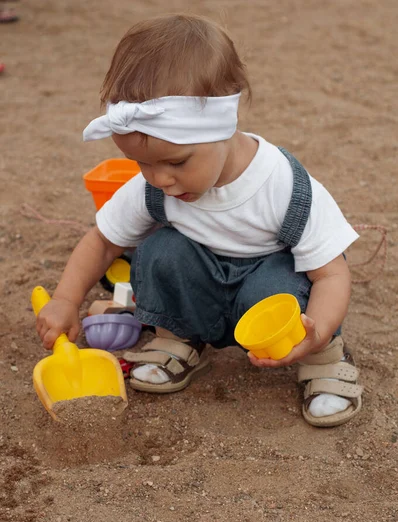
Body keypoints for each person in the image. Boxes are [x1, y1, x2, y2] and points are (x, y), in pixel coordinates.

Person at [36, 14, 363, 427]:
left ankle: (324, 359)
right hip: (202, 279)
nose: (159, 178)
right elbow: (102, 241)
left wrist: (318, 332)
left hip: (268, 286)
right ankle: (179, 339)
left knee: (276, 287)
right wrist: (66, 299)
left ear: (222, 129)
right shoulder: (155, 183)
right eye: (141, 162)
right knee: (159, 251)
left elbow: (332, 275)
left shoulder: (283, 186)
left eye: (177, 162)